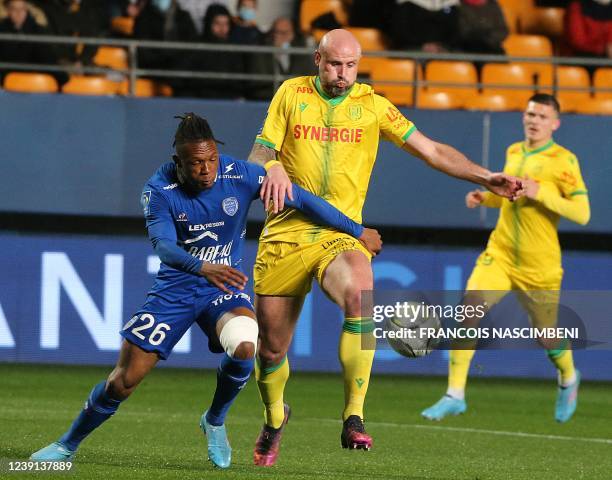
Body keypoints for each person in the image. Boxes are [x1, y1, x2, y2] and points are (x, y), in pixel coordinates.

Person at [29, 113, 381, 469]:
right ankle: (66, 445)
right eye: (196, 163)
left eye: (211, 159)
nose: (206, 169)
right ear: (177, 163)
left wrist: (356, 229)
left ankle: (214, 420)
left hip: (222, 288)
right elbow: (165, 248)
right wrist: (202, 266)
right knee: (123, 381)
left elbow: (303, 200)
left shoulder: (239, 175)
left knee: (246, 344)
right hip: (176, 290)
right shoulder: (158, 191)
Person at [247, 28, 523, 466]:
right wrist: (274, 165)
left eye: (351, 66)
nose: (343, 74)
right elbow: (257, 157)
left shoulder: (373, 106)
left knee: (361, 292)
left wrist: (485, 177)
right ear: (318, 59)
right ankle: (275, 416)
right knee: (271, 350)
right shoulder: (290, 94)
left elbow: (431, 150)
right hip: (286, 233)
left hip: (342, 233)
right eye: (335, 64)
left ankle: (353, 416)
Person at [421, 94, 590, 423]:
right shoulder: (515, 150)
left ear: (555, 123)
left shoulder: (564, 161)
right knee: (468, 310)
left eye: (542, 116)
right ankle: (454, 394)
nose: (534, 120)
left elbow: (582, 213)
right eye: (530, 114)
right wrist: (485, 196)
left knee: (546, 334)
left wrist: (544, 194)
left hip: (538, 265)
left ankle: (568, 378)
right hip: (500, 254)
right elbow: (511, 199)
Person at [0, 0, 67, 86]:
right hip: (6, 82)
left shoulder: (37, 30)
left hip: (36, 83)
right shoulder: (2, 30)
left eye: (22, 9)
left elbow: (47, 57)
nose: (19, 13)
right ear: (8, 11)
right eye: (14, 9)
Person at [248, 16, 314, 100]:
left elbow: (307, 77)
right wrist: (276, 56)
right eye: (276, 32)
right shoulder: (262, 52)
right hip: (270, 99)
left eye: (283, 33)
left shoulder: (300, 52)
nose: (278, 36)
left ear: (292, 34)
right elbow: (259, 84)